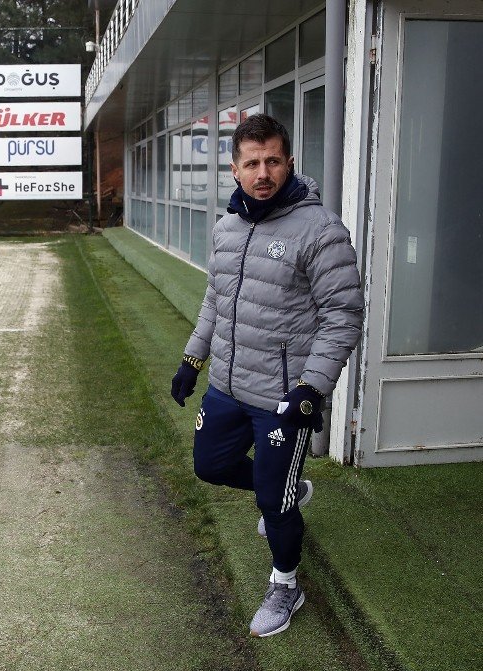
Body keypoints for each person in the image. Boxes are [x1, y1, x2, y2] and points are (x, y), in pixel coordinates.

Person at [170, 114, 362, 637]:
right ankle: (285, 488)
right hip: (228, 387)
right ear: (234, 170)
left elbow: (343, 314)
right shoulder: (226, 228)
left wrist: (311, 387)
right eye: (252, 163)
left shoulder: (321, 231)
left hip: (283, 397)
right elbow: (218, 300)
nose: (263, 172)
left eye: (273, 161)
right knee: (210, 467)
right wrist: (193, 357)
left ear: (289, 163)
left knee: (271, 503)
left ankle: (285, 584)